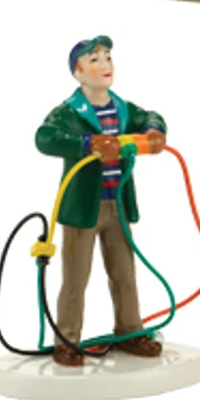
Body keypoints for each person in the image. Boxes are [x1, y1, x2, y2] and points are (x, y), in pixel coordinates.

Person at [35, 37, 167, 368]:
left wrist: (153, 131)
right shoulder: (69, 111)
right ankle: (67, 341)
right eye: (95, 60)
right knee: (76, 280)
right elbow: (45, 137)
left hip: (117, 206)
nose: (105, 64)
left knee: (125, 274)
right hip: (84, 209)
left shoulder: (122, 108)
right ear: (78, 72)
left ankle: (130, 332)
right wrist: (88, 143)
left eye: (108, 57)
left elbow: (150, 116)